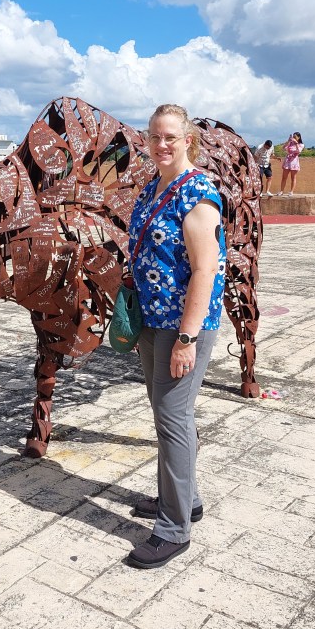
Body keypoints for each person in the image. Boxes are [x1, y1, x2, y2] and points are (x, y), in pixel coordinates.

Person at [127, 104, 226, 569]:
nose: (161, 144)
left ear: (188, 140)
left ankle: (173, 529)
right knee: (166, 414)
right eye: (154, 136)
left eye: (170, 137)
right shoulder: (154, 188)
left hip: (183, 327)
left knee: (173, 418)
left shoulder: (198, 194)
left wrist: (186, 340)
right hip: (152, 321)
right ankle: (188, 500)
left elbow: (205, 271)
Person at [279, 132, 304, 196]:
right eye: (293, 137)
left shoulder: (301, 144)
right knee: (284, 177)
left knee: (293, 177)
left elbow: (299, 151)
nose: (294, 138)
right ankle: (281, 191)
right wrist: (288, 141)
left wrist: (296, 144)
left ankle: (291, 191)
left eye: (295, 137)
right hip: (287, 161)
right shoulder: (290, 143)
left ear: (299, 137)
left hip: (294, 161)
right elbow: (283, 148)